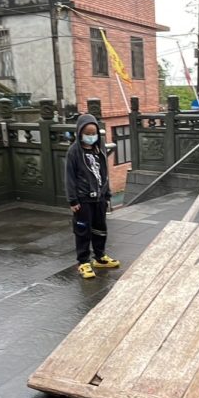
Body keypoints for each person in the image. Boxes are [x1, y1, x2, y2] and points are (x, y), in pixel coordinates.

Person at [66, 114, 120, 279]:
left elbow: (104, 172)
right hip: (83, 199)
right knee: (83, 230)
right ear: (80, 132)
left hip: (100, 198)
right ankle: (83, 262)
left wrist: (107, 192)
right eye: (87, 133)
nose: (91, 136)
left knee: (100, 228)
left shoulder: (99, 148)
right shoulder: (74, 151)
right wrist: (73, 199)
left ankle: (100, 257)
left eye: (93, 133)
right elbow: (69, 177)